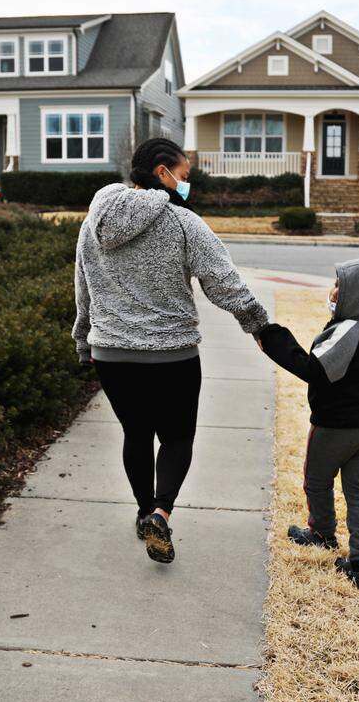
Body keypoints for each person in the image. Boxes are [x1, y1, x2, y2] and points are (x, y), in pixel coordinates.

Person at [72, 138, 268, 564]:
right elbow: (222, 280)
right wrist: (257, 323)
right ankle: (162, 512)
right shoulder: (182, 222)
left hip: (113, 355)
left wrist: (83, 339)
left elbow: (83, 285)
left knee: (136, 433)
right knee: (177, 436)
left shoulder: (93, 222)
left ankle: (144, 513)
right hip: (172, 355)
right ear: (162, 172)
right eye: (184, 174)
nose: (186, 182)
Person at [256, 259, 359, 590]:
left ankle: (321, 533)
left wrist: (272, 339)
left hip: (334, 428)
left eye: (338, 285)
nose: (332, 290)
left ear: (355, 296)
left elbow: (313, 370)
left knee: (317, 481)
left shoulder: (348, 330)